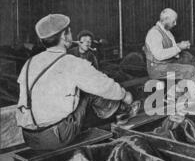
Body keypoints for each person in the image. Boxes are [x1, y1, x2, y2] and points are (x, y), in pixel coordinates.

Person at [16, 14, 137, 151]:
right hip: (55, 136)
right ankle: (123, 112)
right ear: (64, 36)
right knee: (89, 91)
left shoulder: (30, 62)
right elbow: (104, 85)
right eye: (70, 31)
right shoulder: (71, 62)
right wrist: (125, 95)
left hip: (29, 137)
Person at [144, 8, 195, 96]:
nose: (175, 24)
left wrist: (181, 45)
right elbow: (159, 55)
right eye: (173, 22)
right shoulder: (154, 33)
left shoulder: (166, 31)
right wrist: (178, 47)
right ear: (165, 20)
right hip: (157, 68)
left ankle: (184, 89)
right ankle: (194, 98)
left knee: (189, 57)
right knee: (190, 70)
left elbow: (172, 48)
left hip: (166, 63)